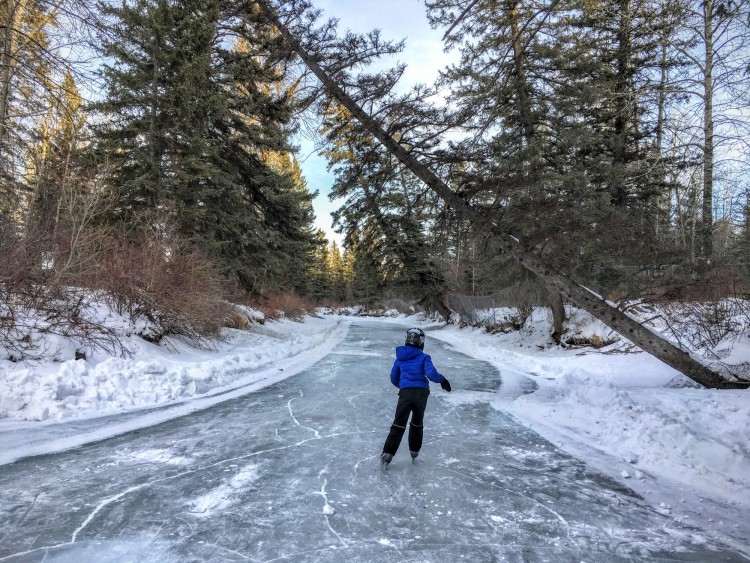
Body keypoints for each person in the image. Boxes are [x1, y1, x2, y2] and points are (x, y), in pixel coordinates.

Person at [380, 327, 451, 469]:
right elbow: (431, 374)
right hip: (421, 394)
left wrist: (404, 385)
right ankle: (414, 451)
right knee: (417, 423)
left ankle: (388, 454)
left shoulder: (400, 359)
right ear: (421, 342)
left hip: (405, 393)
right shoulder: (424, 357)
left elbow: (394, 378)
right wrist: (442, 379)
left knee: (399, 423)